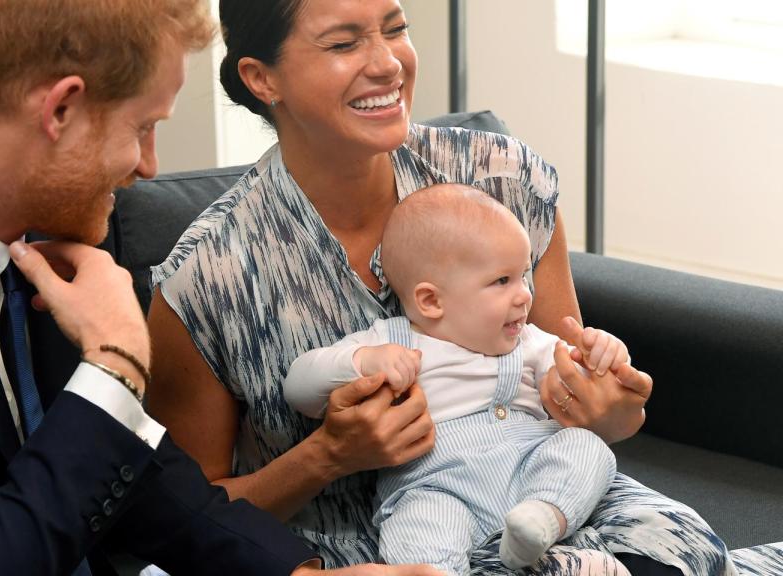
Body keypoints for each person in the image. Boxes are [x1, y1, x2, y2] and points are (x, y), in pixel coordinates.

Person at [0, 1, 443, 575]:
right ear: (61, 110)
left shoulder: (58, 216)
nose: (148, 168)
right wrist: (112, 371)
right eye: (144, 130)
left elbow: (145, 480)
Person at [146, 0, 735, 574]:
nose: (388, 63)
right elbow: (185, 521)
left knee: (689, 546)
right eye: (344, 42)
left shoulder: (502, 180)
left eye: (395, 28)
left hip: (554, 506)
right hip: (384, 548)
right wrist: (327, 455)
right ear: (261, 77)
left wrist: (610, 410)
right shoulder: (207, 278)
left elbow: (575, 394)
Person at [284, 184, 633, 574]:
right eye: (502, 281)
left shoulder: (528, 342)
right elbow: (298, 387)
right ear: (431, 301)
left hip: (529, 471)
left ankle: (543, 519)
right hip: (437, 487)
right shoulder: (390, 341)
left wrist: (603, 354)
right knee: (419, 523)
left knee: (586, 446)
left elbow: (580, 381)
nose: (524, 297)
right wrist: (361, 361)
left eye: (523, 276)